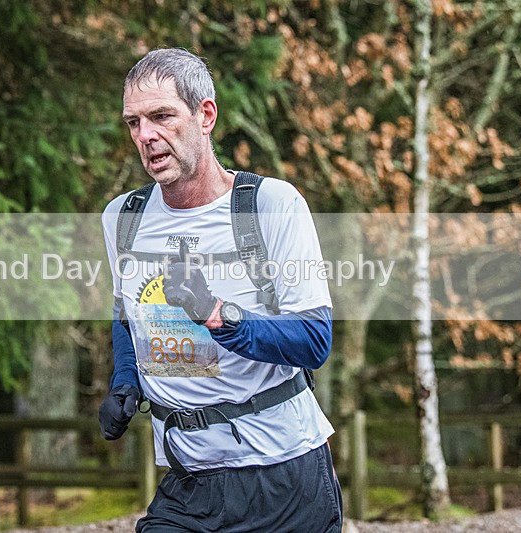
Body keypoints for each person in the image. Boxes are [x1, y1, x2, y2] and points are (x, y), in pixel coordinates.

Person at [99, 48, 342, 532]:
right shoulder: (122, 218)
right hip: (188, 480)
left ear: (205, 115)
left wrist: (215, 313)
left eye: (162, 116)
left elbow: (314, 341)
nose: (146, 136)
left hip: (286, 476)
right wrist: (124, 380)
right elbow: (128, 315)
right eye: (133, 123)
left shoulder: (271, 206)